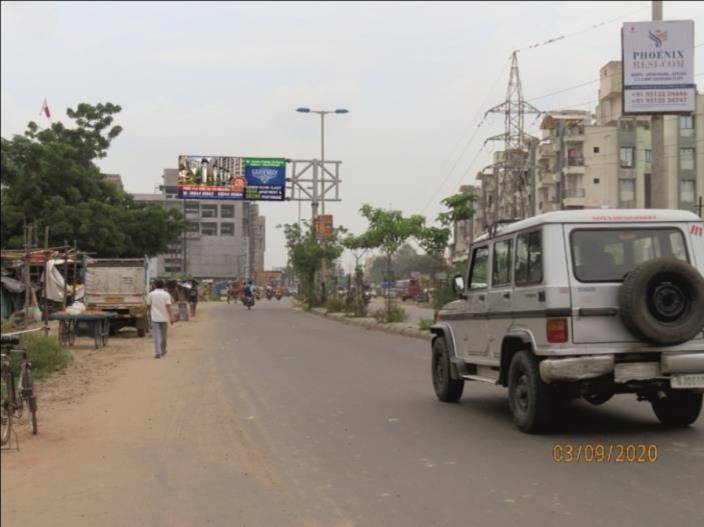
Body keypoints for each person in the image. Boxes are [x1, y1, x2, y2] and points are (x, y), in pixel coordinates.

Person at [147, 279, 173, 359]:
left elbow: (148, 305)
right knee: (164, 336)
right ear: (163, 286)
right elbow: (168, 306)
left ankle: (158, 353)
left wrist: (148, 312)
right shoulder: (166, 294)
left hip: (154, 318)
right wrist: (171, 317)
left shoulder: (151, 294)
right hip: (164, 318)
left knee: (156, 336)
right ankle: (163, 350)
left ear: (155, 285)